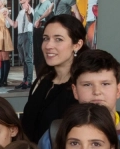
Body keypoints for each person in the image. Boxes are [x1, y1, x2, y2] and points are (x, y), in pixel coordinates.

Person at [21, 14, 86, 142]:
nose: (48, 45)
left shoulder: (83, 87)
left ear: (77, 45)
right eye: (46, 38)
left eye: (58, 39)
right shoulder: (41, 81)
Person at [7, 0, 35, 91]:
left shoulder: (31, 10)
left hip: (27, 34)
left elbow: (32, 20)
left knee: (28, 59)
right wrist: (7, 17)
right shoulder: (20, 12)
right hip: (20, 35)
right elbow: (15, 25)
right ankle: (24, 80)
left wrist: (28, 11)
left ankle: (29, 80)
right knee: (23, 59)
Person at [31, 0, 53, 77]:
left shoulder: (48, 3)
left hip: (42, 31)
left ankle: (44, 76)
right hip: (36, 31)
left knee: (42, 55)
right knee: (37, 56)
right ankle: (39, 76)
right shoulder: (38, 4)